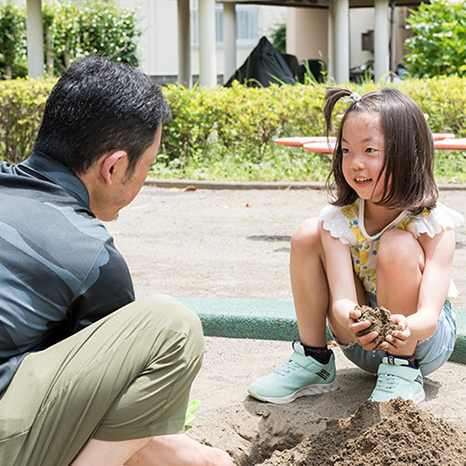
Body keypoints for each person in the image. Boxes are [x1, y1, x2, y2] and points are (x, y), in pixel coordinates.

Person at [0, 56, 233, 466]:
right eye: (149, 165)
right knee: (171, 327)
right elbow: (105, 408)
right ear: (114, 166)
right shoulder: (90, 254)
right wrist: (200, 458)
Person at [248, 87, 463, 405]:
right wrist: (354, 317)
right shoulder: (340, 220)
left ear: (406, 154)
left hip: (420, 342)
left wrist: (404, 326)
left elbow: (430, 315)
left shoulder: (434, 225)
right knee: (308, 233)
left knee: (396, 245)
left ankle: (402, 371)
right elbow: (342, 300)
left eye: (370, 151)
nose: (355, 163)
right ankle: (314, 359)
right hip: (362, 343)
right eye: (346, 151)